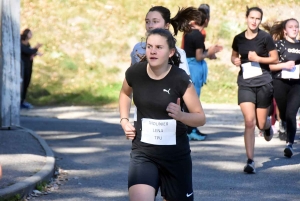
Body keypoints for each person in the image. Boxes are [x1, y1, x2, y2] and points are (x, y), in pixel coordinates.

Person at [119, 28, 206, 201]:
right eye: (149, 46)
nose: (152, 51)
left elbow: (200, 117)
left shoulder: (180, 78)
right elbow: (124, 93)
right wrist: (124, 120)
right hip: (143, 153)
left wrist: (181, 116)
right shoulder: (135, 73)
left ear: (171, 52)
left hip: (175, 157)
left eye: (159, 47)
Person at [130, 6, 207, 140]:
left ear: (166, 25)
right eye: (147, 21)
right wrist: (125, 119)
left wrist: (182, 114)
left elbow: (185, 87)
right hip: (144, 118)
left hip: (170, 118)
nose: (150, 25)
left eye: (155, 21)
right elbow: (130, 81)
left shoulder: (178, 53)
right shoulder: (138, 49)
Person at [231, 7, 279, 174]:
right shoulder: (238, 38)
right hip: (245, 83)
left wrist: (258, 58)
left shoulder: (265, 37)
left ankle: (266, 127)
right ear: (246, 18)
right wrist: (235, 61)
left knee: (260, 122)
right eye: (252, 17)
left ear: (260, 20)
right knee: (249, 121)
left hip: (264, 82)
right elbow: (234, 55)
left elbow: (275, 58)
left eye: (258, 18)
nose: (254, 21)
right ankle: (250, 161)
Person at [183, 7, 222, 140]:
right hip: (194, 67)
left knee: (188, 99)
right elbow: (199, 56)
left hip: (188, 65)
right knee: (193, 100)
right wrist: (210, 52)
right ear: (205, 20)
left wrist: (210, 53)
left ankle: (190, 128)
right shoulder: (198, 35)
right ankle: (190, 130)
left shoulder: (189, 32)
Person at [263, 18, 300, 158]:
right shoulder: (278, 45)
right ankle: (282, 122)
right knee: (284, 114)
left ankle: (289, 144)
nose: (294, 29)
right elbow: (270, 66)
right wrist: (285, 65)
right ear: (285, 30)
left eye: (296, 26)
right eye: (291, 27)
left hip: (297, 84)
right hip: (280, 82)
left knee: (291, 113)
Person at [20, 28, 42, 109]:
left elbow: (30, 52)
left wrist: (35, 53)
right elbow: (27, 51)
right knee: (22, 84)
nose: (31, 35)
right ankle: (20, 101)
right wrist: (36, 48)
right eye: (30, 33)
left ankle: (23, 100)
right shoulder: (21, 43)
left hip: (28, 65)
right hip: (23, 66)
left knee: (26, 83)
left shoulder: (27, 44)